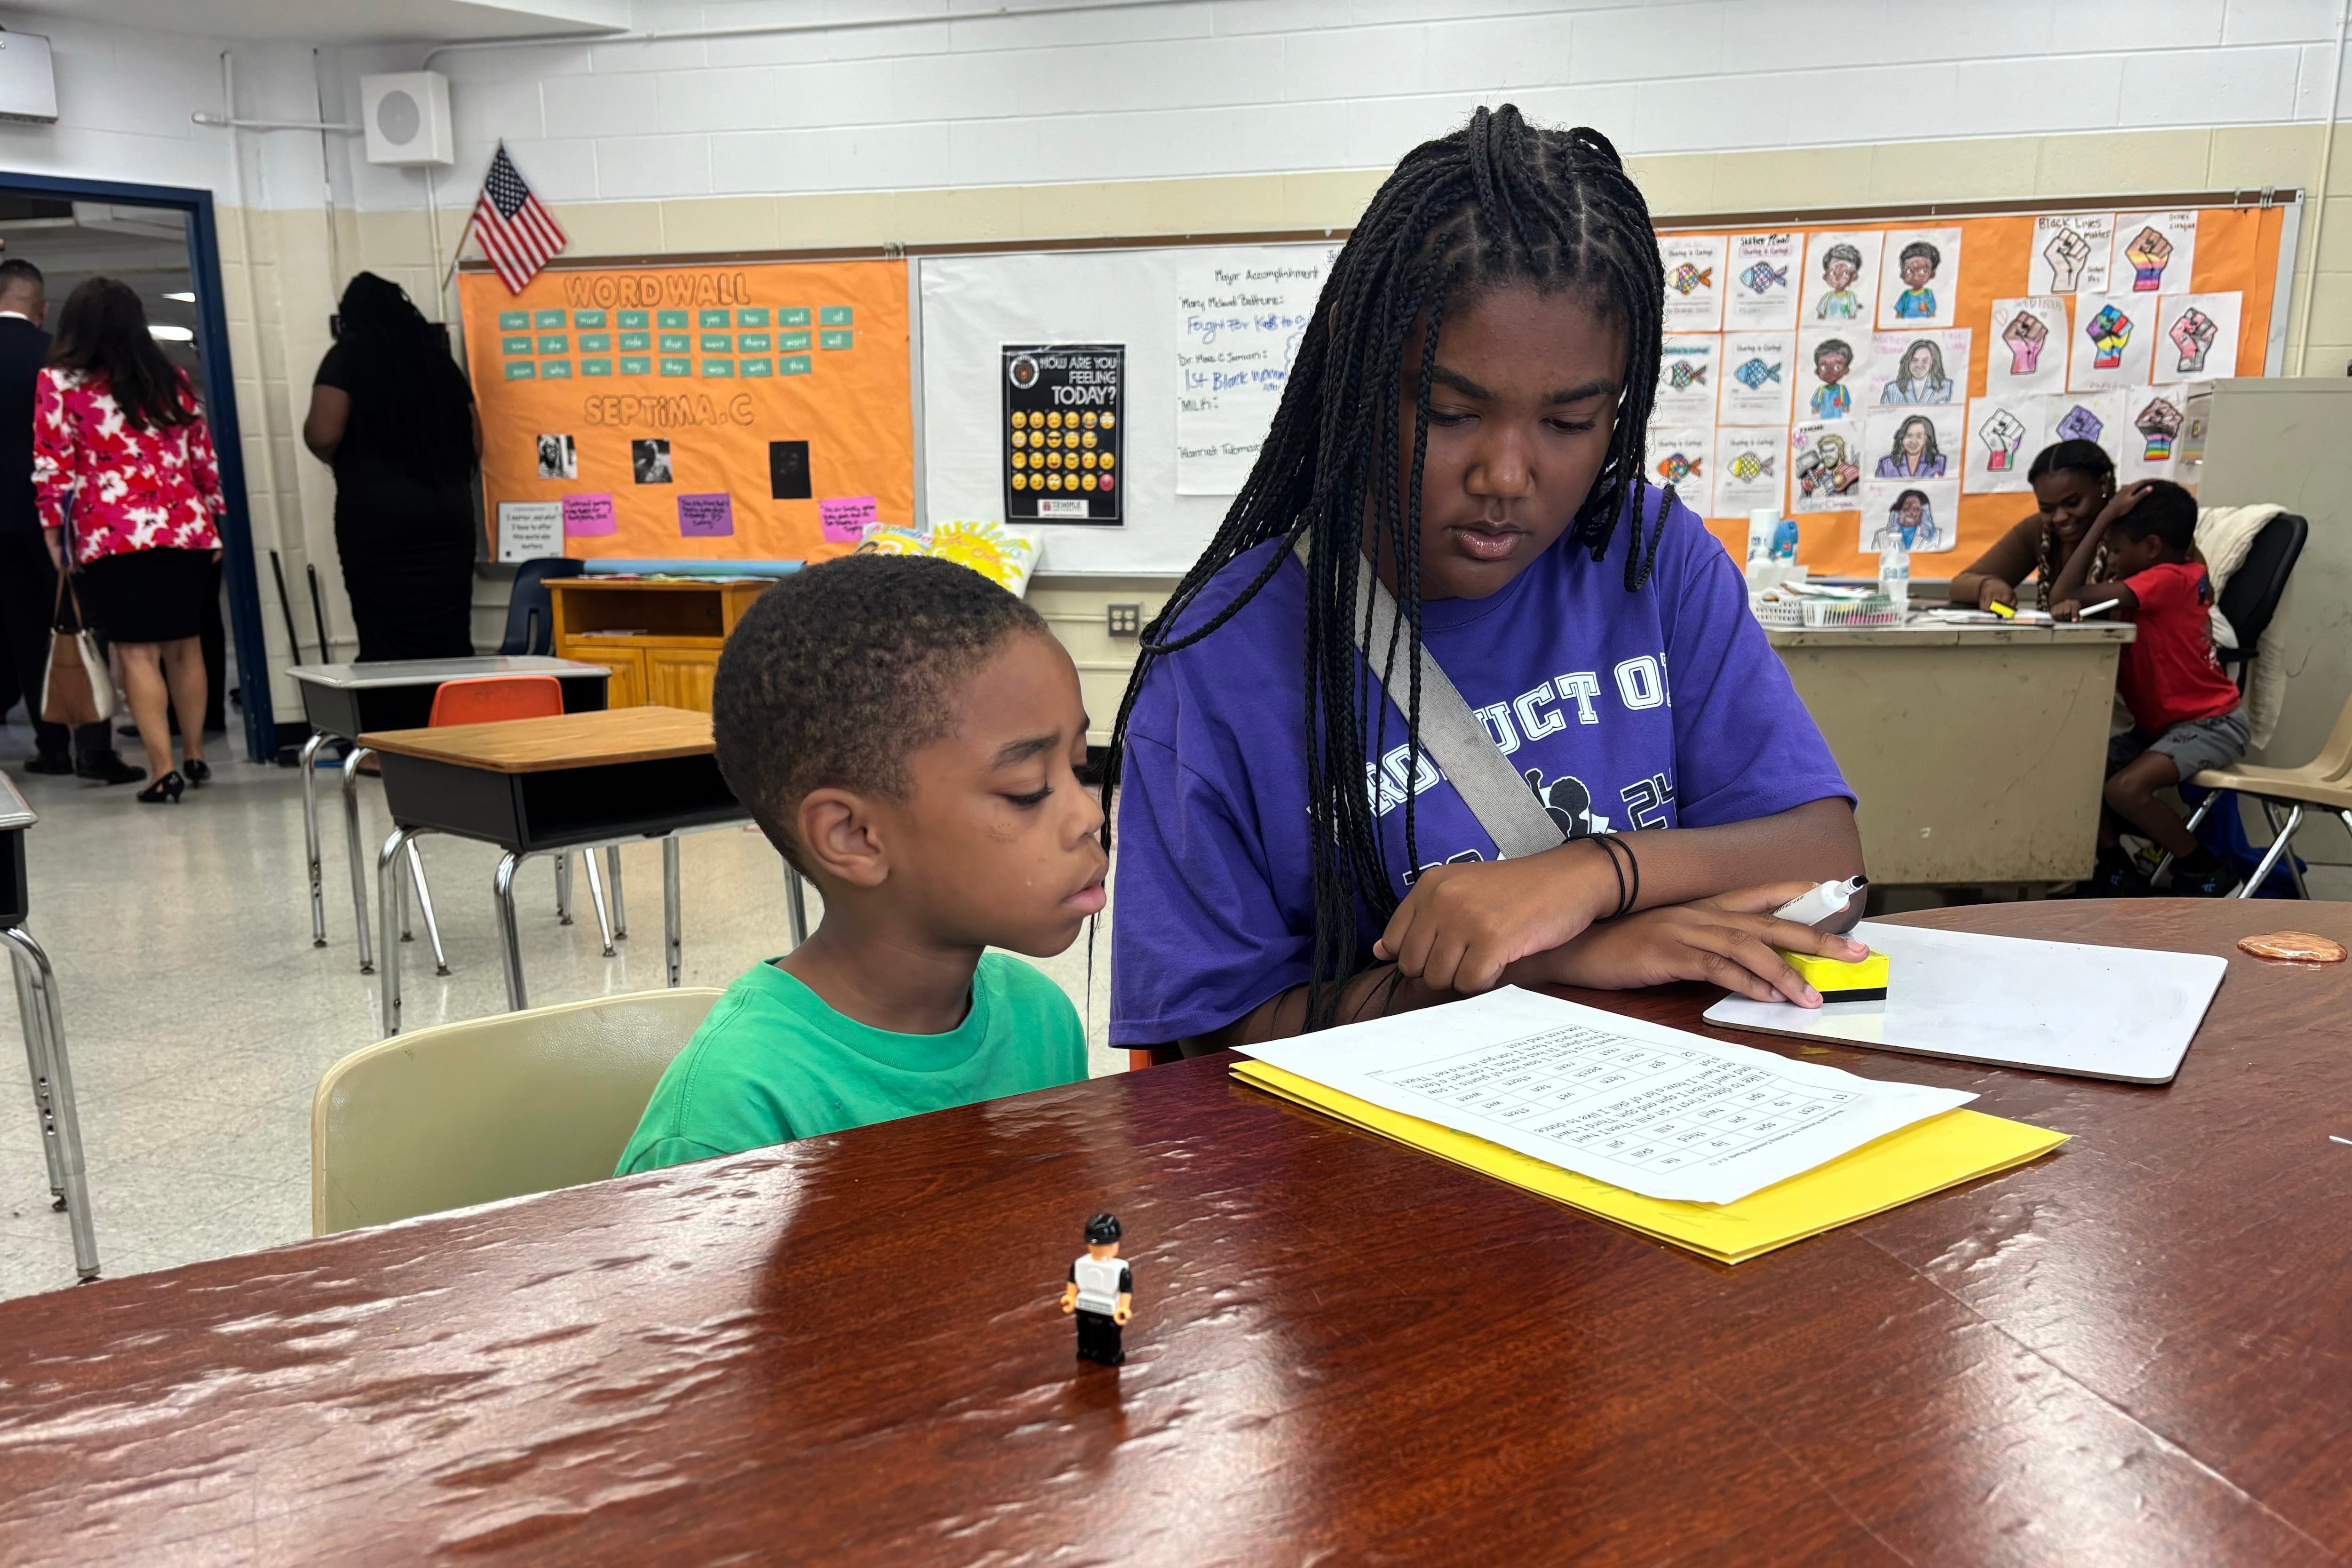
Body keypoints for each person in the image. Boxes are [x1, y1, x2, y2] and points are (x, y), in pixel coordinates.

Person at [1105, 107, 1869, 1060]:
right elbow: (1214, 1040)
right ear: (1359, 369)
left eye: (1569, 424)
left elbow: (1822, 853)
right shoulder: (1224, 653)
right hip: (1374, 1173)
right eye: (1452, 411)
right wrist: (1541, 960)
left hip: (1663, 1110)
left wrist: (1588, 878)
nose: (1507, 475)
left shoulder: (1644, 552)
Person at [614, 554, 1097, 1173]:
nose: (1087, 815)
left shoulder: (1040, 1016)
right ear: (854, 836)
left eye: (1079, 767)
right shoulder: (730, 1121)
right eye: (1029, 788)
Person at [32, 279, 222, 804]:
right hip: (187, 531)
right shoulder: (172, 379)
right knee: (186, 647)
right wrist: (214, 522)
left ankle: (162, 772)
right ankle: (195, 754)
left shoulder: (59, 383)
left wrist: (55, 537)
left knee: (137, 654)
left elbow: (54, 468)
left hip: (113, 536)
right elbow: (202, 458)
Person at [2044, 480, 2244, 897]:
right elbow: (2068, 599)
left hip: (2212, 723)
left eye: (2116, 550)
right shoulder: (2159, 581)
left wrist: (2104, 517)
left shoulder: (2168, 579)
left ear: (2152, 547)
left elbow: (2065, 593)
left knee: (2124, 789)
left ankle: (2203, 868)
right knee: (2076, 772)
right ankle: (2116, 867)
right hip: (2166, 727)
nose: (2111, 561)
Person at [0, 261, 137, 784]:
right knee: (80, 626)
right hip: (61, 517)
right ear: (41, 308)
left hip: (1, 525)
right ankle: (94, 747)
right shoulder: (62, 360)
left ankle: (50, 744)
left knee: (23, 633)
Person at [303, 273, 478, 663]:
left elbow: (322, 433)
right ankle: (453, 714)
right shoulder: (437, 361)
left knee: (386, 637)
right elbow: (476, 442)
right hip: (447, 513)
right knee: (448, 632)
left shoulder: (346, 358)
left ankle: (395, 717)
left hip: (377, 515)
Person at [1946, 439, 2115, 612]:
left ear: (2103, 485)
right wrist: (1987, 586)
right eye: (2047, 509)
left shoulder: (2129, 529)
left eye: (2073, 503)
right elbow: (1959, 586)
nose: (2060, 517)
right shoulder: (2040, 529)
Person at [1058, 1212, 1133, 1367]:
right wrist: (1071, 1297)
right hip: (1084, 1305)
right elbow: (1073, 1281)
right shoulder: (1080, 1264)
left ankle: (1109, 1354)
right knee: (1085, 1332)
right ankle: (1087, 1351)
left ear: (1115, 1246)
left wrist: (1124, 1308)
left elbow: (1126, 1290)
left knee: (1109, 1335)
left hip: (1109, 1309)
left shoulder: (1120, 1269)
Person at [1879, 339, 1953, 405]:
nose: (1919, 365)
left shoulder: (1947, 386)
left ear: (1932, 363)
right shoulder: (1892, 389)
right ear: (1908, 362)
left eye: (1925, 361)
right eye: (1915, 360)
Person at [1869, 489, 1942, 552]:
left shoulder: (1935, 535)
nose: (1910, 513)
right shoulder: (1881, 536)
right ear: (1897, 512)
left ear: (1923, 514)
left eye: (1915, 510)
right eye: (1906, 509)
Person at [1874, 414, 1945, 478]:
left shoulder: (1940, 462)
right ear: (1902, 438)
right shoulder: (1886, 464)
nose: (1913, 441)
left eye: (1919, 436)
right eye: (1909, 436)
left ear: (1927, 439)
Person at [1891, 240, 1940, 320]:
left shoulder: (1928, 295)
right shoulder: (1905, 296)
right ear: (1902, 274)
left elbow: (1932, 315)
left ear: (1932, 274)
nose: (1916, 277)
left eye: (1923, 271)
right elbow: (1899, 315)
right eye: (1911, 271)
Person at [1814, 243, 1864, 321]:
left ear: (1854, 277)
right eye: (1833, 273)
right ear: (1826, 276)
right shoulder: (1827, 297)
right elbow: (1821, 315)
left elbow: (1852, 316)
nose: (1838, 278)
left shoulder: (1850, 297)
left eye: (1846, 273)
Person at [1807, 338, 1853, 419]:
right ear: (1817, 371)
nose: (1830, 372)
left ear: (1846, 370)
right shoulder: (1821, 390)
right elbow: (1815, 407)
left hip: (1838, 421)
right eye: (1825, 367)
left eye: (1837, 367)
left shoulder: (1842, 390)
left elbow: (1846, 407)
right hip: (1823, 421)